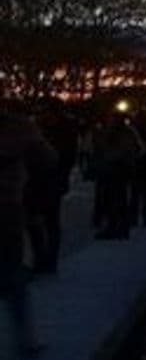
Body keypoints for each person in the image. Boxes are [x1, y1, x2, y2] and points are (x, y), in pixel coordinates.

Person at [1, 100, 57, 360]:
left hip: (8, 206)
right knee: (12, 272)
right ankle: (24, 339)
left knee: (12, 272)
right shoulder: (19, 127)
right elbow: (47, 159)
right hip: (6, 205)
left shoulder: (20, 126)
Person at [26, 102, 78, 274]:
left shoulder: (62, 132)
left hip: (50, 181)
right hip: (36, 181)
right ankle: (41, 258)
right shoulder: (39, 130)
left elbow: (65, 159)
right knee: (36, 222)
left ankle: (47, 260)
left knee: (49, 222)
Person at [92, 114, 144, 240]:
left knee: (115, 201)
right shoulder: (127, 133)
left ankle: (116, 228)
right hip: (116, 169)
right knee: (115, 200)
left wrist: (113, 158)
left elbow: (131, 150)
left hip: (117, 169)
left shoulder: (125, 134)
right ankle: (118, 228)